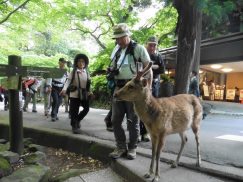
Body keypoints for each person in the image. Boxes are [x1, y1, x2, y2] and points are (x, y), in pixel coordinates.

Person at [108, 23, 152, 160]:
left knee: (133, 120)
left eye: (120, 37)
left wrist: (148, 89)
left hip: (133, 89)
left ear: (127, 35)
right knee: (115, 120)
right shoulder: (116, 50)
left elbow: (148, 68)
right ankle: (121, 146)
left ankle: (132, 147)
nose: (118, 41)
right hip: (118, 87)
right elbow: (114, 66)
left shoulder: (138, 49)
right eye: (116, 38)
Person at [138, 36, 166, 142]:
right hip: (143, 85)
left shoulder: (158, 56)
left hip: (154, 86)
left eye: (154, 45)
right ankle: (140, 132)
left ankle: (147, 132)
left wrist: (150, 67)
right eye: (150, 45)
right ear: (146, 44)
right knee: (141, 108)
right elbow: (139, 68)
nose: (152, 47)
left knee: (151, 109)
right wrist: (154, 67)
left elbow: (162, 69)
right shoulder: (141, 54)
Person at [61, 54, 92, 134]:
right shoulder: (74, 71)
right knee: (74, 111)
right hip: (74, 93)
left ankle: (77, 120)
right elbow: (68, 81)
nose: (81, 63)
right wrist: (64, 89)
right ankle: (74, 126)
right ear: (76, 63)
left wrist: (90, 92)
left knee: (86, 109)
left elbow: (89, 84)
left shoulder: (87, 72)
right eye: (79, 61)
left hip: (84, 93)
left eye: (83, 61)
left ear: (85, 63)